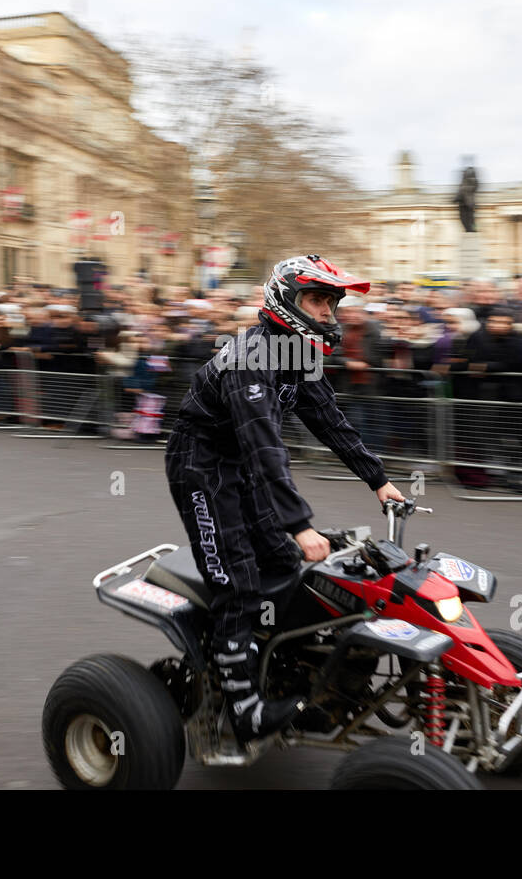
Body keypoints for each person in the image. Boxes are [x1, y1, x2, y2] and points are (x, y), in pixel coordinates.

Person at [164, 254, 405, 746]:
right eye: (317, 299)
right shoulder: (251, 358)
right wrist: (301, 524)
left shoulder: (300, 356)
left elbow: (330, 421)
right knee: (238, 578)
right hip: (203, 464)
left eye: (331, 303)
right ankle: (245, 708)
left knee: (282, 562)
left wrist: (378, 480)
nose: (327, 312)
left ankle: (285, 672)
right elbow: (265, 451)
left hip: (243, 462)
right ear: (284, 300)